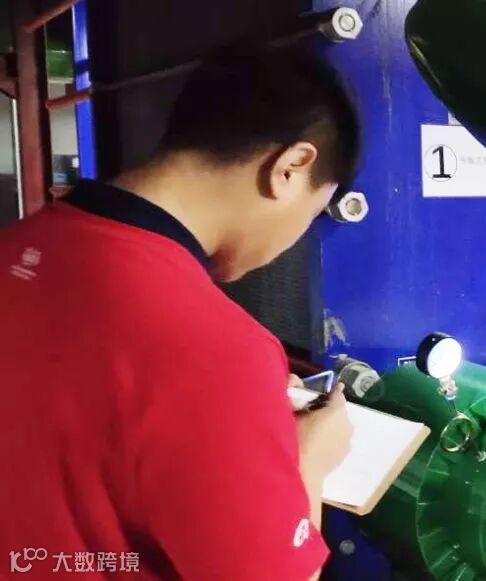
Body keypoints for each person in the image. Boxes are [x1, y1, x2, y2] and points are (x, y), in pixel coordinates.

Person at [0, 44, 359, 580]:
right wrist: (307, 461)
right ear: (290, 168)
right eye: (315, 211)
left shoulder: (16, 245)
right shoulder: (222, 350)